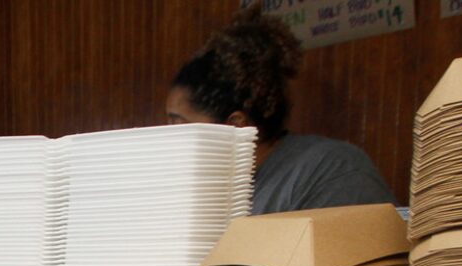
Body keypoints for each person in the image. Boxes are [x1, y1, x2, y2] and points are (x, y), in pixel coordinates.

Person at [166, 7, 395, 215]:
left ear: (235, 126)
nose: (168, 139)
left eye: (179, 125)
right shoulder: (203, 188)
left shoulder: (333, 170)